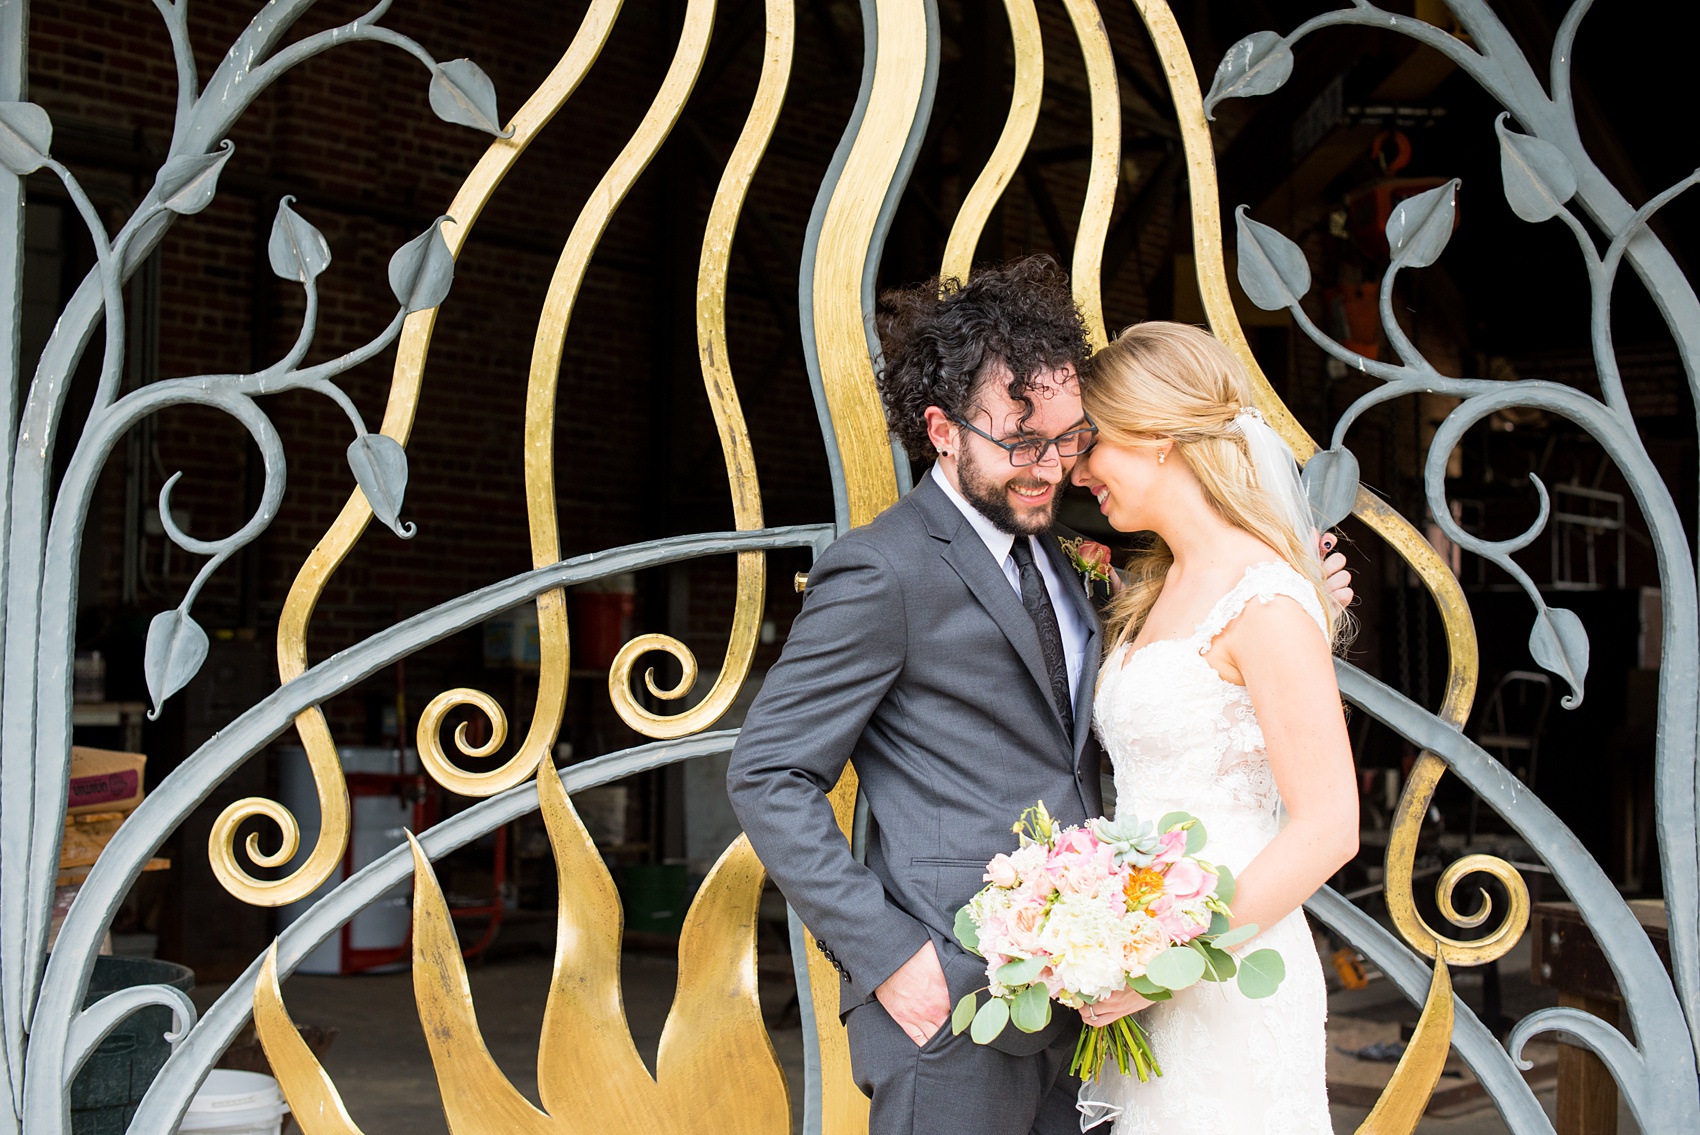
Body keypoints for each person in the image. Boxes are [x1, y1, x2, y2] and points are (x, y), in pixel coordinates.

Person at [726, 259, 1351, 1135]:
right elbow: (768, 773)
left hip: (1094, 1013)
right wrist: (896, 960)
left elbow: (1164, 700)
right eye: (1022, 443)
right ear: (943, 431)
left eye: (1069, 438)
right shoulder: (884, 569)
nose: (1053, 467)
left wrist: (1294, 598)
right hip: (950, 1011)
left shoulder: (1069, 567)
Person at [1067, 321, 1359, 1132]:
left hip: (1229, 969)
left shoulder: (1263, 597)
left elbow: (1331, 826)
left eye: (1095, 442)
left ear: (1158, 437)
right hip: (1146, 966)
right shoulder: (1157, 586)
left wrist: (1168, 962)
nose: (1080, 467)